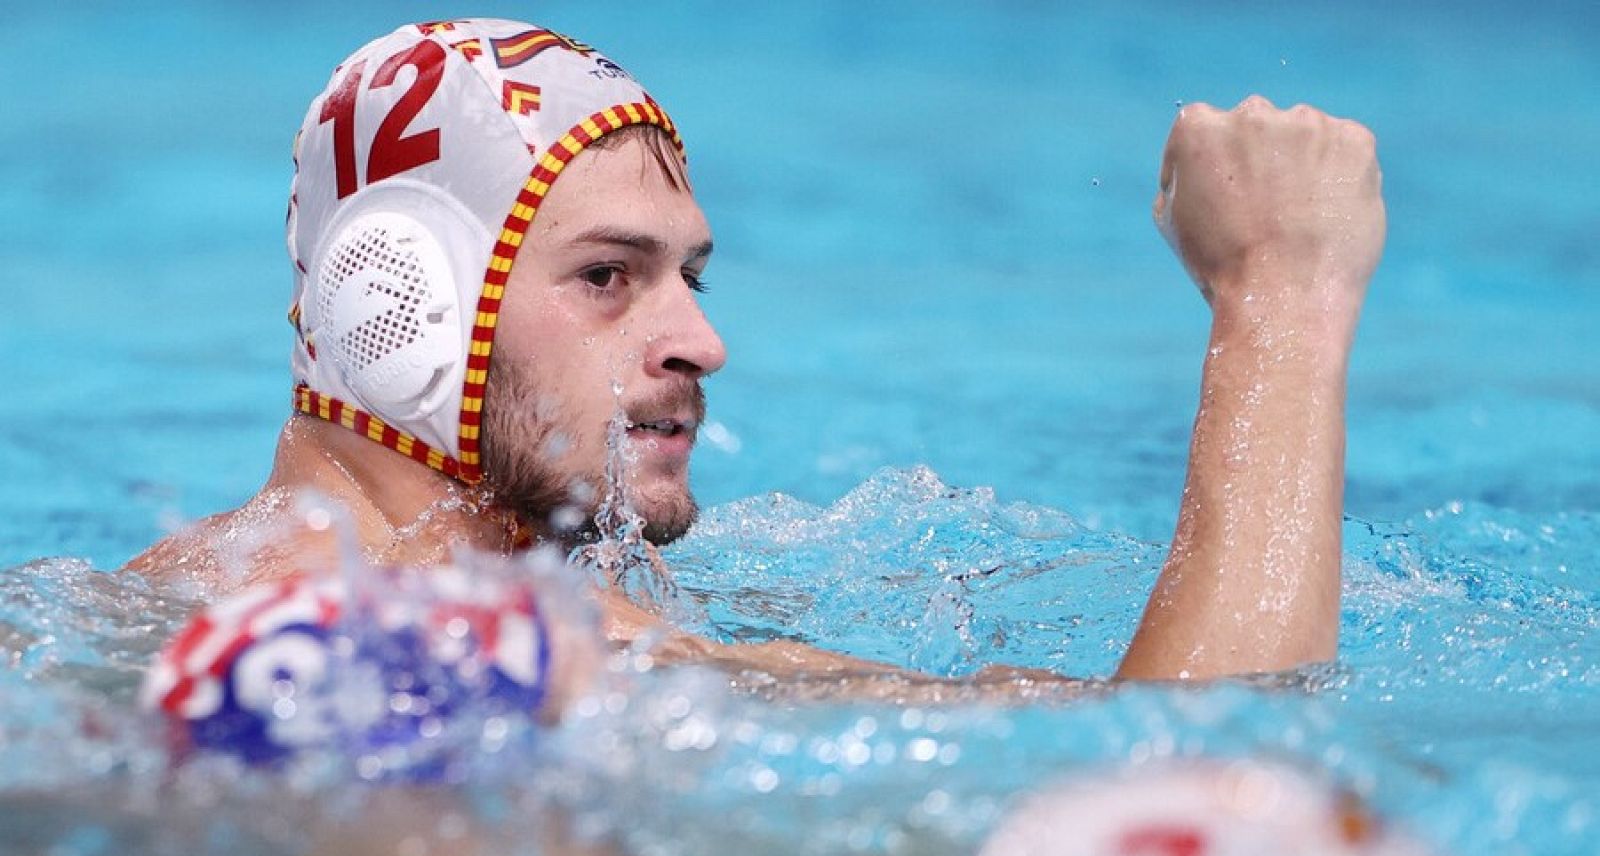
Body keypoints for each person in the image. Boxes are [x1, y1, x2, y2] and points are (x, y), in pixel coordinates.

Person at [126, 18, 1385, 682]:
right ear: (391, 314)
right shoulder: (401, 630)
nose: (703, 343)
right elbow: (1201, 789)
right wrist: (1281, 290)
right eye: (609, 277)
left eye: (692, 275)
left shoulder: (491, 597)